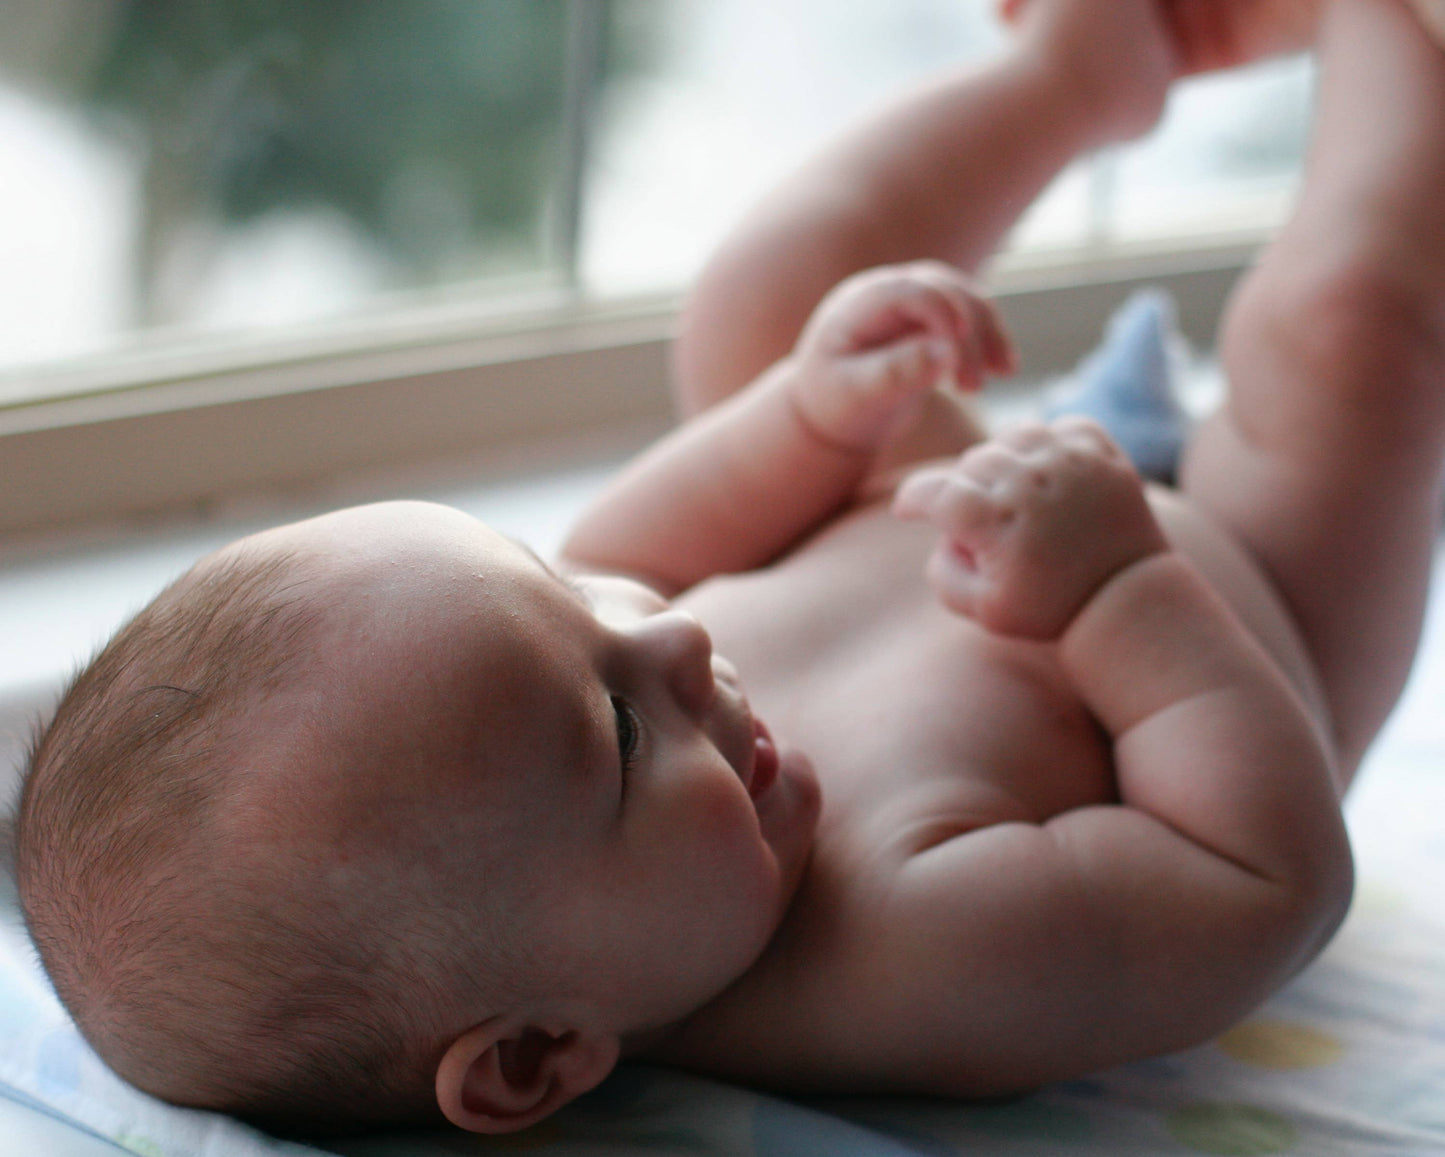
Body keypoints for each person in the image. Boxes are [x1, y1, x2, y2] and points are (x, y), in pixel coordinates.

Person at [14, 0, 1445, 1137]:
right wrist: (1117, 592)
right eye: (618, 731)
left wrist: (814, 413)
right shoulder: (910, 952)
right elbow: (1262, 873)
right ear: (533, 1055)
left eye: (562, 595)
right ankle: (1391, 29)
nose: (677, 642)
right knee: (1343, 332)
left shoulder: (550, 699)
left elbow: (644, 546)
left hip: (962, 485)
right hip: (1250, 590)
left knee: (760, 305)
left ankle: (1092, 64)